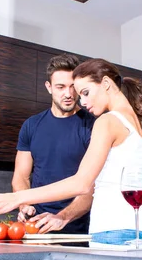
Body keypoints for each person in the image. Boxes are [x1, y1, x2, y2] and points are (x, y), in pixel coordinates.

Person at [0, 58, 142, 242]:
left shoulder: (106, 121)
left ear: (105, 83)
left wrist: (15, 198)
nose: (83, 101)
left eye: (86, 92)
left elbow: (81, 184)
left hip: (112, 230)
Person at [12, 53, 95, 234]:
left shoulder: (92, 125)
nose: (68, 94)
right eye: (60, 87)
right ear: (49, 87)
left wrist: (62, 217)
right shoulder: (31, 125)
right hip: (36, 229)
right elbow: (21, 177)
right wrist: (25, 204)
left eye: (73, 87)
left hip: (77, 230)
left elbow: (91, 186)